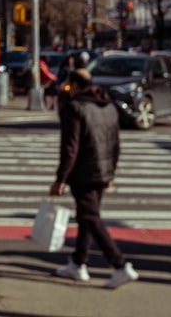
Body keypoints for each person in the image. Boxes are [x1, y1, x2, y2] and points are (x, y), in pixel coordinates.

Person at [49, 67, 139, 289]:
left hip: (83, 172)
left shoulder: (75, 108)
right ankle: (78, 262)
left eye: (69, 85)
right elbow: (115, 143)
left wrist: (61, 178)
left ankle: (119, 265)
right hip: (103, 170)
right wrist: (111, 173)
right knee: (86, 216)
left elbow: (70, 148)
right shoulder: (107, 105)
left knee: (90, 217)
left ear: (76, 85)